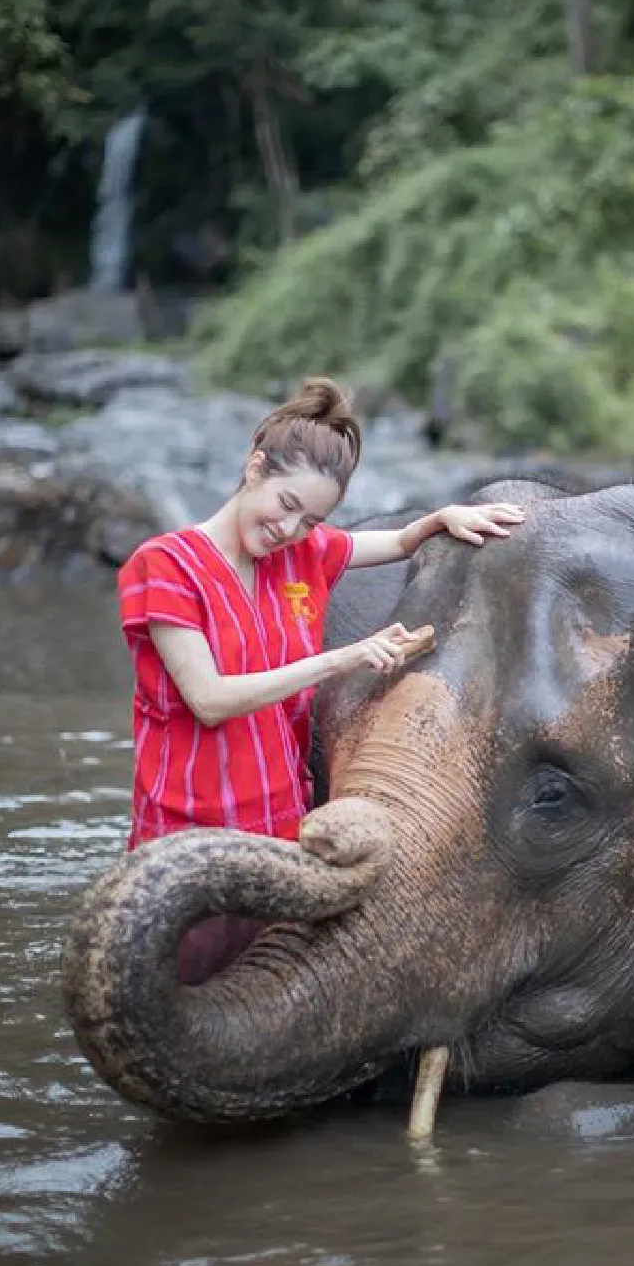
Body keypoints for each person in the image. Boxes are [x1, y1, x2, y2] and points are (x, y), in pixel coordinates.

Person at [116, 375, 522, 981]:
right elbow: (209, 700)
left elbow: (398, 542)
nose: (289, 531)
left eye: (310, 521)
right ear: (255, 469)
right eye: (285, 506)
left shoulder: (302, 555)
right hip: (188, 848)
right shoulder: (165, 567)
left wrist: (443, 518)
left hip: (284, 840)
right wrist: (344, 659)